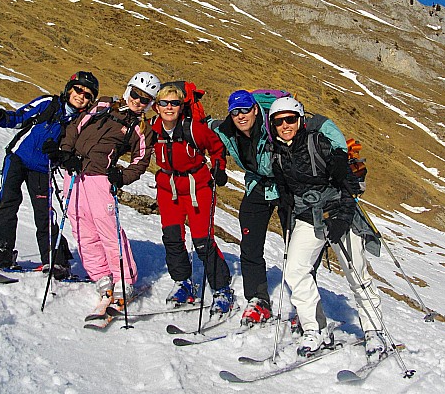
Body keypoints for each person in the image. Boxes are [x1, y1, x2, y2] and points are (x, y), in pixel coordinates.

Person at [268, 96, 386, 358]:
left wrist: (343, 218)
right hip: (308, 217)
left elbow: (348, 184)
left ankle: (374, 332)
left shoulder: (320, 145)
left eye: (290, 119)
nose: (285, 125)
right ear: (273, 125)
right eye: (279, 121)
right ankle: (314, 329)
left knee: (357, 274)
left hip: (338, 214)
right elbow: (286, 189)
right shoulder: (276, 153)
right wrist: (287, 209)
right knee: (296, 270)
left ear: (300, 120)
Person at [0, 71, 99, 279]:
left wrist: (60, 155)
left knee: (44, 213)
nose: (81, 96)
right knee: (7, 201)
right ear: (69, 89)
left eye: (88, 95)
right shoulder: (48, 104)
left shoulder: (80, 123)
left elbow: (72, 152)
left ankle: (55, 259)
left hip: (43, 169)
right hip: (17, 158)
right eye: (78, 90)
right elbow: (18, 118)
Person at [55, 71, 159, 306]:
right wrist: (66, 153)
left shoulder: (141, 127)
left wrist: (121, 176)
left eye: (145, 99)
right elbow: (75, 127)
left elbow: (140, 160)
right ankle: (101, 275)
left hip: (101, 179)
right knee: (81, 224)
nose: (137, 101)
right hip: (74, 173)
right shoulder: (104, 105)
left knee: (108, 228)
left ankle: (124, 279)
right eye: (135, 94)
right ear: (128, 89)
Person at [151, 83, 234, 317]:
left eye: (174, 103)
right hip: (168, 188)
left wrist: (219, 168)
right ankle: (183, 283)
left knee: (202, 240)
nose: (169, 107)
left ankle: (221, 289)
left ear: (181, 106)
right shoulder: (152, 128)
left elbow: (216, 148)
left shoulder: (194, 129)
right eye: (164, 103)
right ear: (157, 107)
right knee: (172, 237)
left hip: (198, 188)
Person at [210, 90, 279, 326]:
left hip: (286, 186)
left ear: (256, 109)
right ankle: (258, 300)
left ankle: (306, 309)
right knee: (250, 246)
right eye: (235, 112)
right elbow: (206, 129)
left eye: (245, 110)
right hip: (257, 187)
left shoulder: (273, 126)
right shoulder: (227, 130)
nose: (240, 116)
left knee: (298, 249)